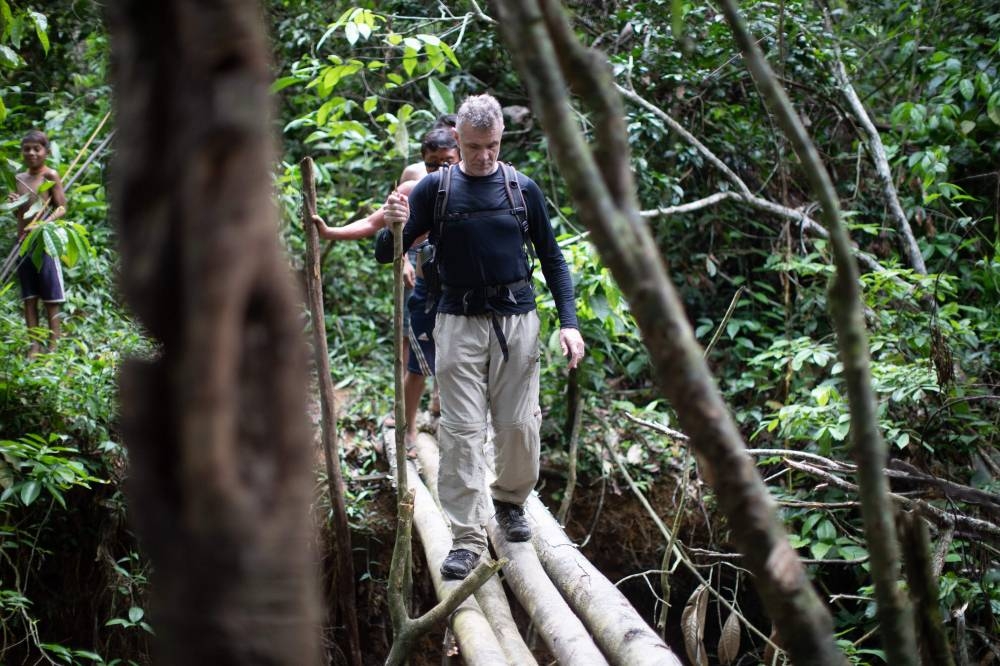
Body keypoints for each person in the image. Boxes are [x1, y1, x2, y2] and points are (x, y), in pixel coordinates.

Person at [377, 94, 585, 580]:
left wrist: (569, 322)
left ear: (500, 141)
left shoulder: (521, 189)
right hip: (457, 320)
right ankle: (467, 537)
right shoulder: (435, 189)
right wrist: (394, 225)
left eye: (491, 146)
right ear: (458, 140)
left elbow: (553, 259)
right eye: (473, 147)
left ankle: (510, 500)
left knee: (517, 426)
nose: (483, 156)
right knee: (463, 432)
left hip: (517, 320)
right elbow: (388, 252)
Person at [312, 128, 460, 452]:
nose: (441, 170)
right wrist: (330, 232)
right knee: (417, 362)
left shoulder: (472, 189)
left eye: (448, 162)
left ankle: (445, 418)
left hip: (460, 294)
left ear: (459, 157)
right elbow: (373, 224)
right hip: (425, 288)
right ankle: (406, 430)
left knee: (456, 361)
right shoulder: (413, 189)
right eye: (433, 164)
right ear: (424, 163)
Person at [8, 129, 67, 356]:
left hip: (45, 242)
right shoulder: (19, 178)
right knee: (29, 296)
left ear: (46, 151)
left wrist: (43, 224)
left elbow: (62, 207)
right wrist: (14, 204)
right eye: (27, 149)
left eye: (37, 149)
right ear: (22, 152)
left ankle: (54, 345)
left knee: (51, 296)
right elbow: (20, 215)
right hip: (23, 243)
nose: (31, 153)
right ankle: (35, 344)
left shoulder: (50, 175)